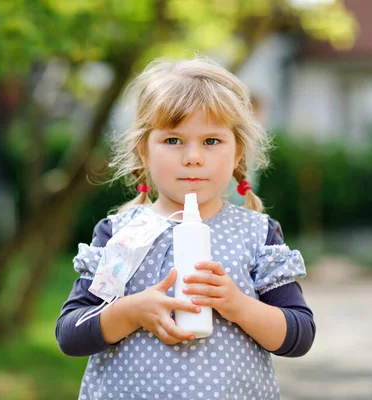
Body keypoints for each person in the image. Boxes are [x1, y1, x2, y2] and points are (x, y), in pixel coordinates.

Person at [56, 58, 316, 400]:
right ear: (143, 151)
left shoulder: (256, 234)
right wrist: (130, 311)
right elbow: (70, 334)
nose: (193, 157)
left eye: (211, 141)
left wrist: (237, 305)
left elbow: (299, 335)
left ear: (238, 151)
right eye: (173, 140)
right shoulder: (121, 235)